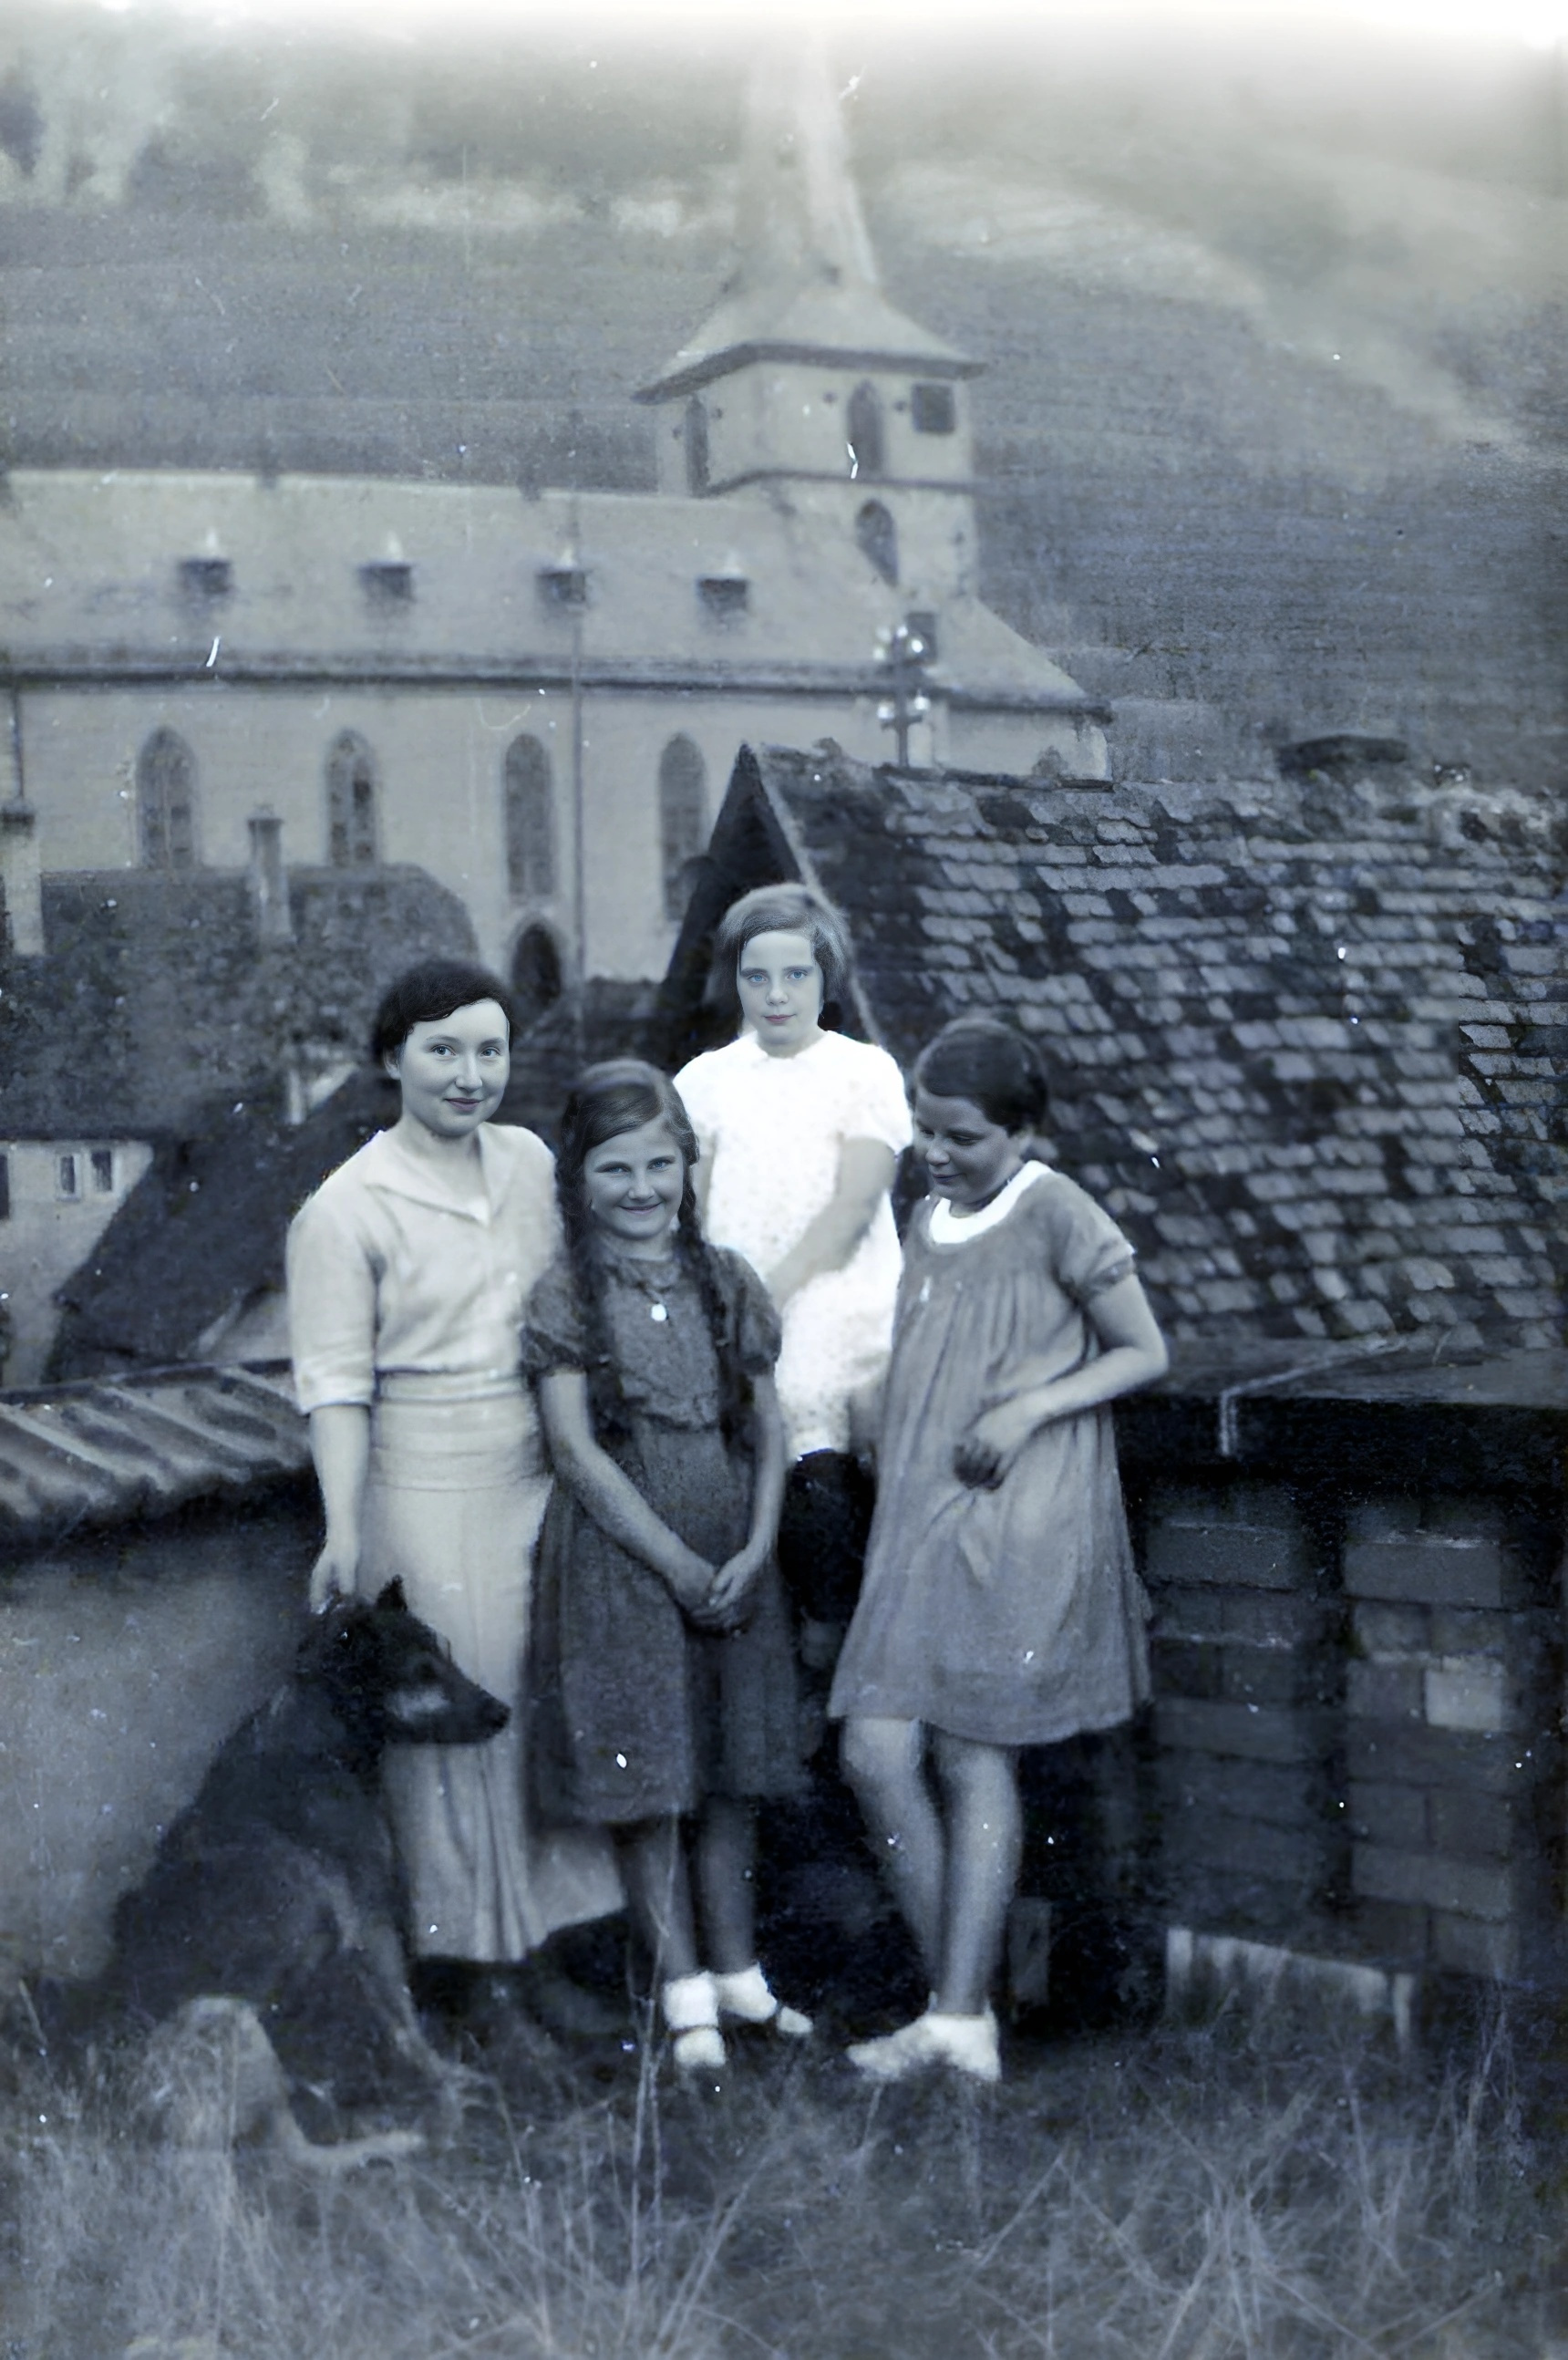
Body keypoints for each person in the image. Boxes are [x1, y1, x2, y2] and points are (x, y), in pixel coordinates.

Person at [285, 957, 621, 2040]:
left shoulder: (529, 1163)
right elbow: (335, 1387)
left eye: (489, 1050)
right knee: (458, 1735)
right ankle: (479, 1977)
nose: (469, 1074)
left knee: (538, 1709)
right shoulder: (345, 1209)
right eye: (442, 1050)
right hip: (421, 1489)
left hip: (535, 1472)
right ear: (391, 1060)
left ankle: (557, 1947)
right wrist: (345, 1525)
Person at [829, 1017, 1169, 2084]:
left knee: (973, 1750)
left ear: (1023, 1132)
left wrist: (1027, 1411)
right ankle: (963, 2005)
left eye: (964, 1135)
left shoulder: (1057, 1212)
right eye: (926, 1130)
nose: (939, 1152)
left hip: (1015, 1511)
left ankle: (959, 2018)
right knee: (873, 1752)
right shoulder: (929, 1216)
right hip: (921, 1507)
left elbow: (1143, 1350)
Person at [522, 1061, 810, 2075]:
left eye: (660, 1163)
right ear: (578, 1177)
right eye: (615, 1168)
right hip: (625, 1559)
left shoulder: (726, 1281)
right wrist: (677, 1561)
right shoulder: (569, 1297)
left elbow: (768, 1433)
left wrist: (756, 1544)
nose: (642, 1188)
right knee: (653, 1777)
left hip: (734, 1553)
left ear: (688, 1166)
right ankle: (682, 1992)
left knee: (730, 1770)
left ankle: (739, 1976)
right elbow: (575, 1450)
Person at [674, 885, 911, 1657]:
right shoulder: (702, 1083)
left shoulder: (865, 1072)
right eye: (757, 977)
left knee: (838, 1512)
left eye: (796, 976)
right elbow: (690, 1212)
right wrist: (721, 1312)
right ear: (734, 979)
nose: (777, 996)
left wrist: (764, 1300)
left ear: (825, 976)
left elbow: (850, 1211)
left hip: (842, 1325)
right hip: (743, 1334)